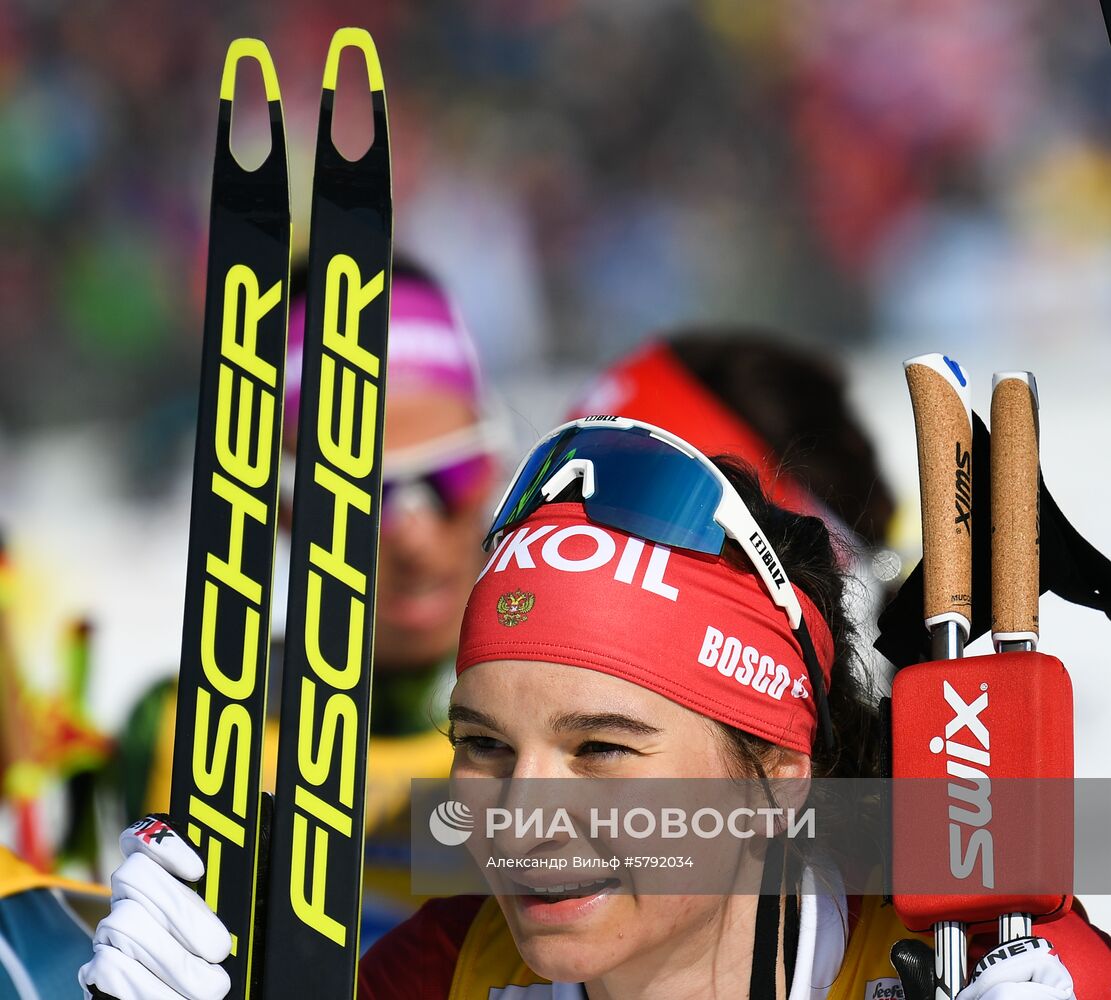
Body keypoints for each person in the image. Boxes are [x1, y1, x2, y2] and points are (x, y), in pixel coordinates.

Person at [80, 418, 1110, 998]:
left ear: (776, 776)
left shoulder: (998, 963)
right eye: (483, 744)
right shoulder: (440, 975)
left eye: (603, 748)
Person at [114, 252, 504, 942]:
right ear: (283, 505)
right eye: (360, 491)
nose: (413, 535)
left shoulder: (588, 729)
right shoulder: (181, 729)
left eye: (451, 472)